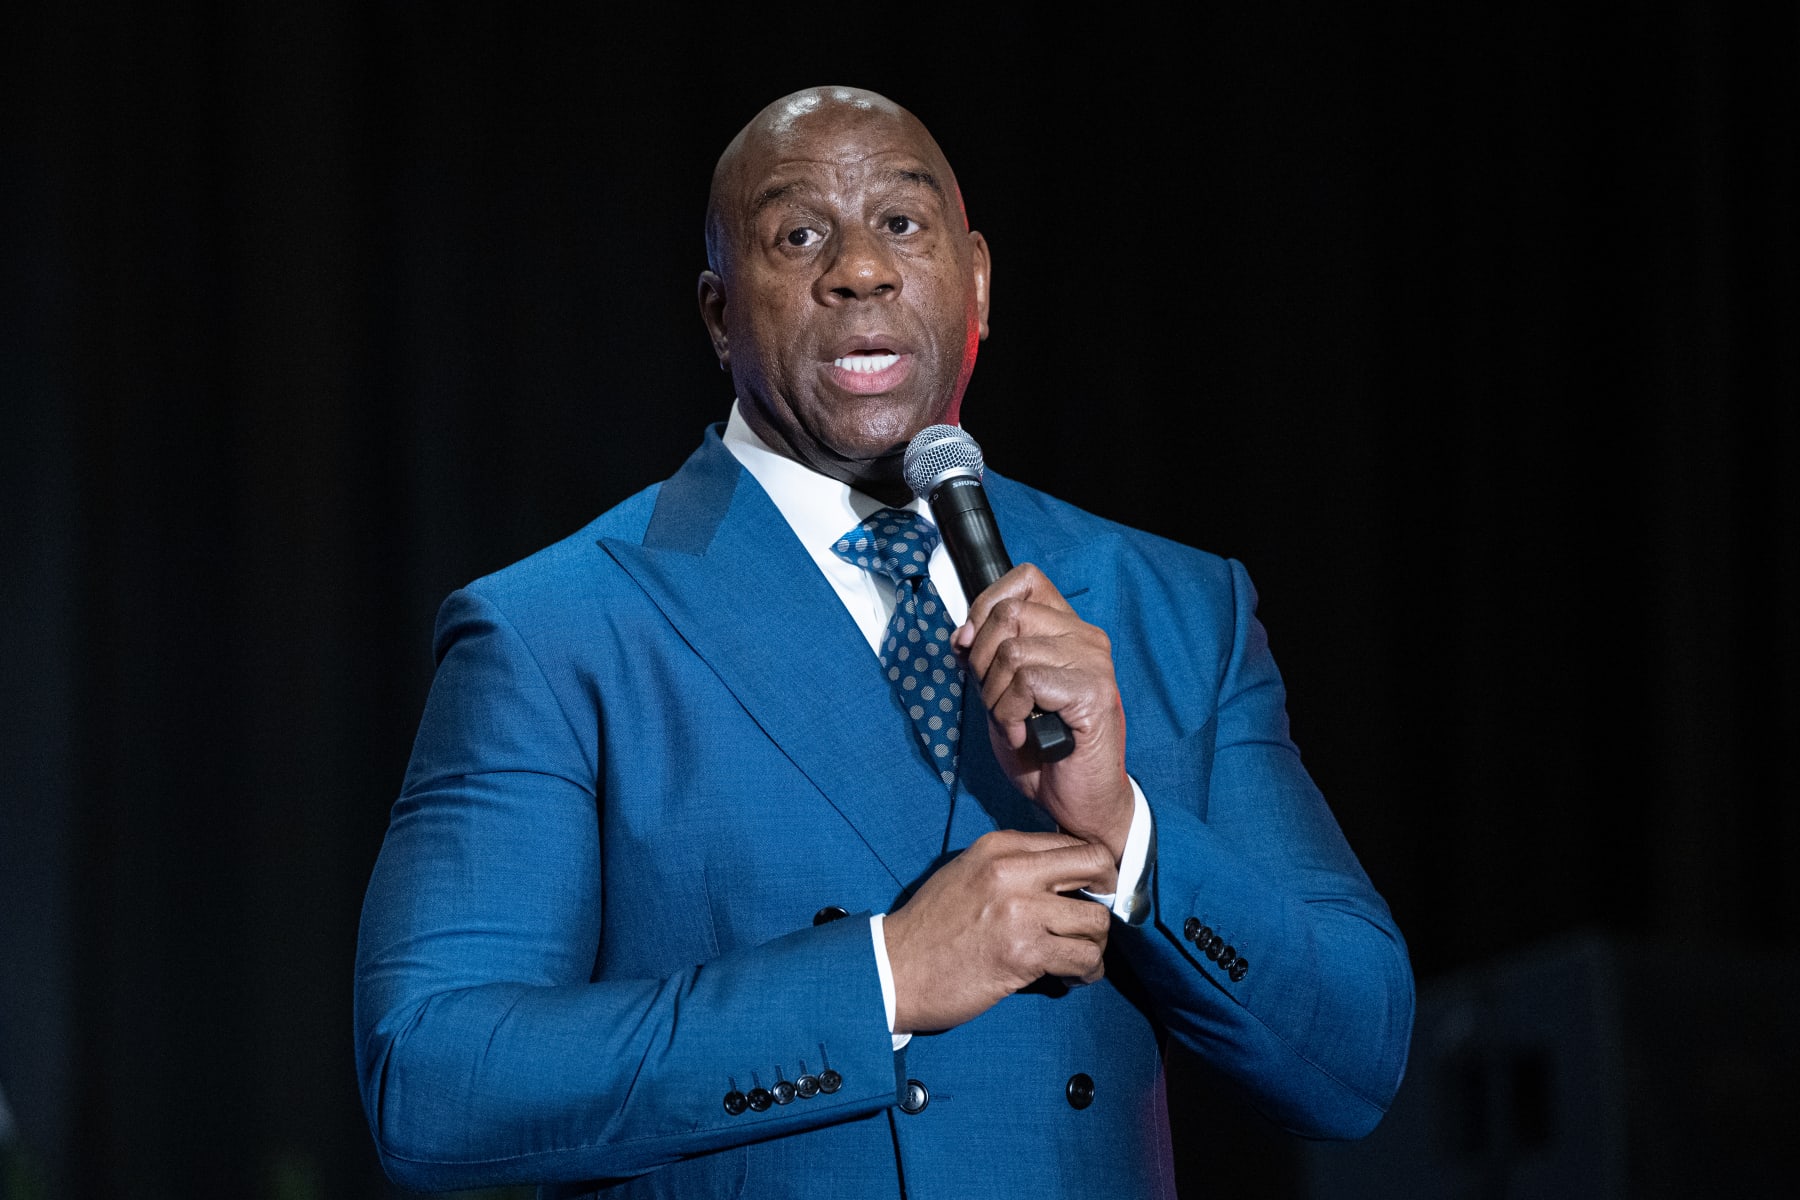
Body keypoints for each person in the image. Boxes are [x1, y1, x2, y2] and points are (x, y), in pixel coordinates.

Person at [354, 85, 1414, 1198]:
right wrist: (880, 982)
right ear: (719, 317)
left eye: (902, 225)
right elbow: (432, 1081)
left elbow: (1356, 1059)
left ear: (980, 285)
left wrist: (1127, 835)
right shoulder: (556, 630)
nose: (859, 268)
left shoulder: (1174, 606)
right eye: (799, 234)